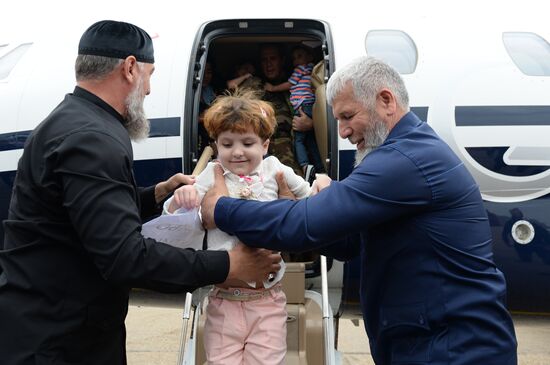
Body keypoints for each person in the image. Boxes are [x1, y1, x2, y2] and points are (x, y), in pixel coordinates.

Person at [200, 57, 518, 364]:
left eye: (348, 116)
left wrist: (222, 208)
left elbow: (302, 226)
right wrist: (299, 209)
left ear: (386, 101)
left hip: (451, 350)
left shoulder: (405, 161)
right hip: (431, 342)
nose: (343, 132)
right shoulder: (405, 153)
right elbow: (350, 242)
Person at [0, 20, 280, 365]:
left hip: (48, 323)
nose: (148, 89)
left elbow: (79, 214)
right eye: (150, 75)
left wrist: (156, 195)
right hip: (59, 340)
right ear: (130, 68)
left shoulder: (71, 120)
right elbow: (125, 257)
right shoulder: (93, 138)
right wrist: (226, 264)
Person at [164, 91, 311, 364]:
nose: (238, 151)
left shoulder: (275, 170)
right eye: (227, 144)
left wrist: (321, 189)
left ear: (265, 145)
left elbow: (310, 199)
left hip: (267, 300)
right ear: (216, 145)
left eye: (248, 142)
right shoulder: (212, 173)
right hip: (224, 300)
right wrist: (180, 201)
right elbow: (173, 216)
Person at [265, 45, 324, 175]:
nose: (268, 64)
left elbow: (332, 118)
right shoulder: (257, 88)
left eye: (273, 58)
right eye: (264, 60)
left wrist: (312, 124)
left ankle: (312, 168)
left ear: (282, 60)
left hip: (296, 163)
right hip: (274, 160)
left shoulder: (300, 79)